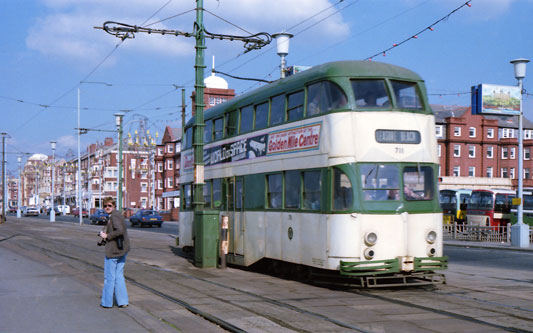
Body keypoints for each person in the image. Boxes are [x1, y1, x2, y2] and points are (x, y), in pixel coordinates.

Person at [99, 197, 130, 308]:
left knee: (109, 277)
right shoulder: (117, 215)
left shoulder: (114, 216)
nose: (107, 207)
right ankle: (123, 301)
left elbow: (119, 230)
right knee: (119, 276)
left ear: (114, 206)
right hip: (122, 250)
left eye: (109, 205)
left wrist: (107, 236)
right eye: (105, 206)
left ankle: (107, 302)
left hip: (114, 251)